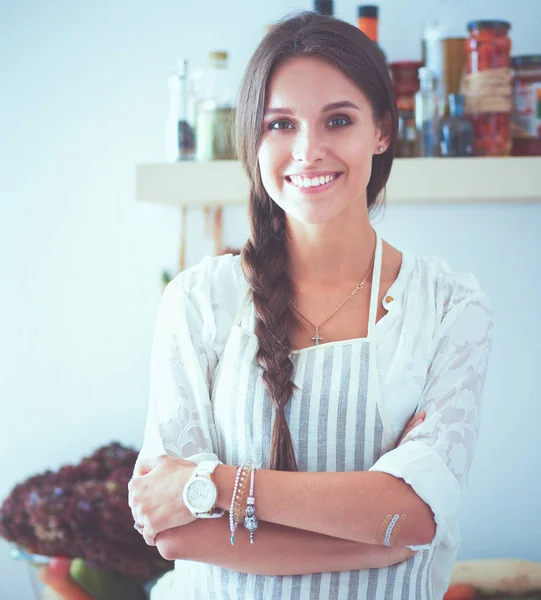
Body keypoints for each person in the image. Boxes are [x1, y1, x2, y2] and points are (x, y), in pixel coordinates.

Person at [128, 11, 493, 600]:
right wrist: (374, 538)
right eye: (280, 124)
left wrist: (218, 485)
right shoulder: (198, 301)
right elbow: (174, 531)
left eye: (338, 119)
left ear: (381, 131)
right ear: (253, 139)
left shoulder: (449, 307)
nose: (308, 150)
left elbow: (418, 515)